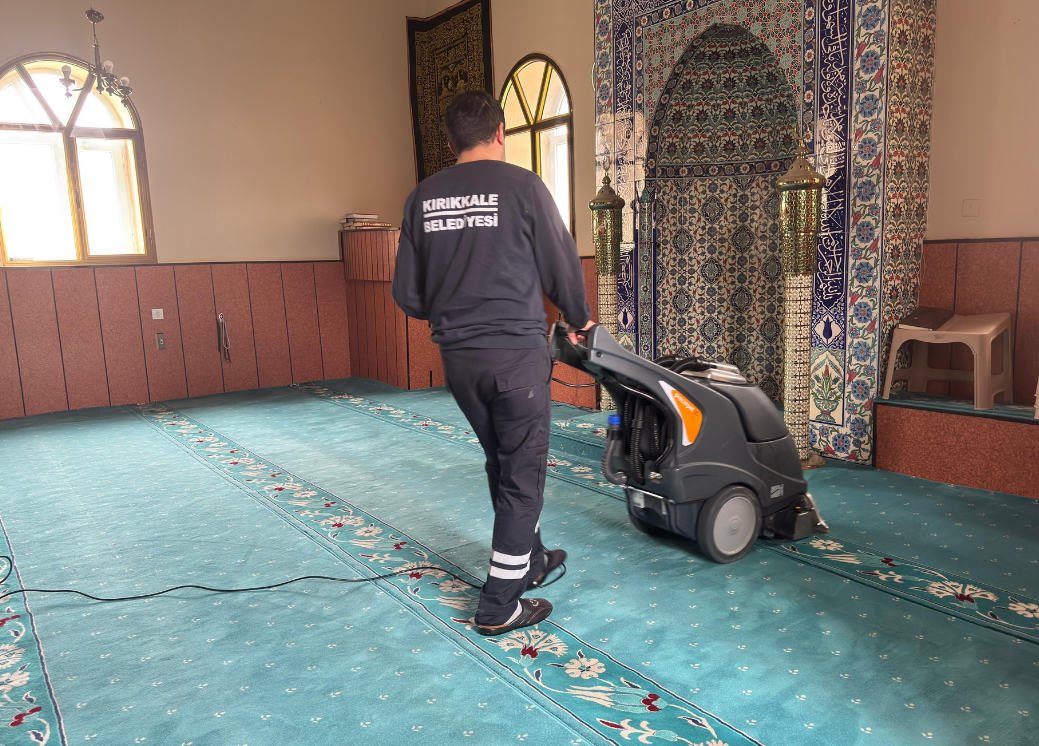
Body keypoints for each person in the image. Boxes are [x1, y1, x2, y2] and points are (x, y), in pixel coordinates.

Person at [392, 90, 593, 636]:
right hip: (515, 358)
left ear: (451, 140)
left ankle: (532, 558)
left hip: (460, 362)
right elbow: (560, 263)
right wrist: (578, 317)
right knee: (522, 475)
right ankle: (499, 604)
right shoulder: (523, 186)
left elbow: (407, 295)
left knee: (503, 461)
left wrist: (454, 308)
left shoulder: (422, 198)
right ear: (500, 131)